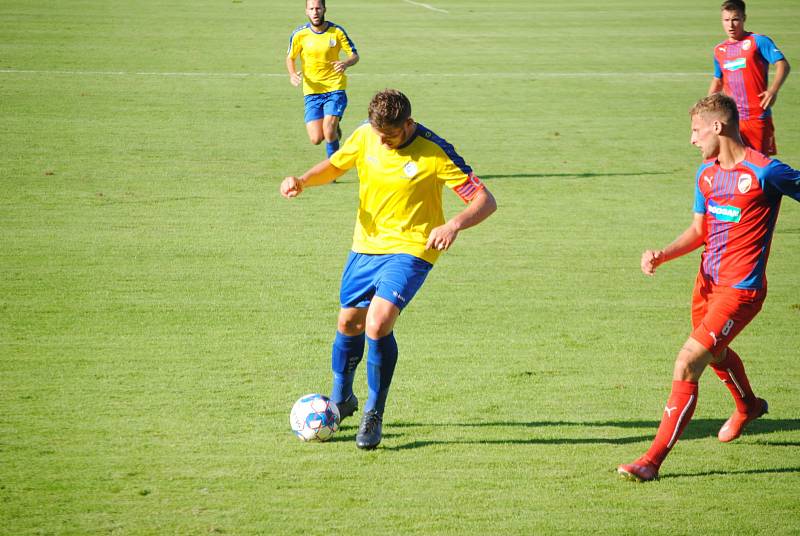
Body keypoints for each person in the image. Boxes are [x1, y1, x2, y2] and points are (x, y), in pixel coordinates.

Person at [280, 89, 497, 449]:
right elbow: (336, 165)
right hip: (366, 246)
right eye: (380, 135)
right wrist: (303, 180)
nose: (384, 141)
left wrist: (453, 225)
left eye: (391, 136)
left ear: (408, 124)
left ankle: (373, 412)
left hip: (413, 248)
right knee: (349, 323)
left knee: (378, 323)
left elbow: (484, 199)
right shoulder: (367, 133)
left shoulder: (434, 150)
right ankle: (341, 399)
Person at [617, 93, 800, 482]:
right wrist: (662, 254)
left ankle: (650, 461)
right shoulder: (707, 175)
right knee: (715, 353)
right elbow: (701, 230)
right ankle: (747, 406)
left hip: (741, 291)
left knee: (687, 362)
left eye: (696, 131)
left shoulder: (766, 172)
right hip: (706, 286)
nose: (692, 140)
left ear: (718, 127)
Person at [708, 0, 790, 156]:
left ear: (744, 18)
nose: (731, 25)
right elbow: (718, 80)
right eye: (726, 20)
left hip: (757, 117)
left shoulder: (758, 41)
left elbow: (783, 65)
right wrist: (705, 108)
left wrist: (772, 90)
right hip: (730, 118)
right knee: (729, 163)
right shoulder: (719, 50)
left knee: (757, 166)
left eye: (735, 19)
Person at [286, 0, 359, 158]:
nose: (315, 12)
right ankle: (334, 126)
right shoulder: (299, 34)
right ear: (306, 11)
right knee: (316, 138)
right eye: (311, 9)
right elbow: (290, 57)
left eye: (318, 8)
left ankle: (332, 168)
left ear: (324, 9)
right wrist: (292, 74)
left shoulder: (337, 31)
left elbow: (354, 55)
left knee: (328, 130)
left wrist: (345, 63)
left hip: (335, 88)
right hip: (312, 91)